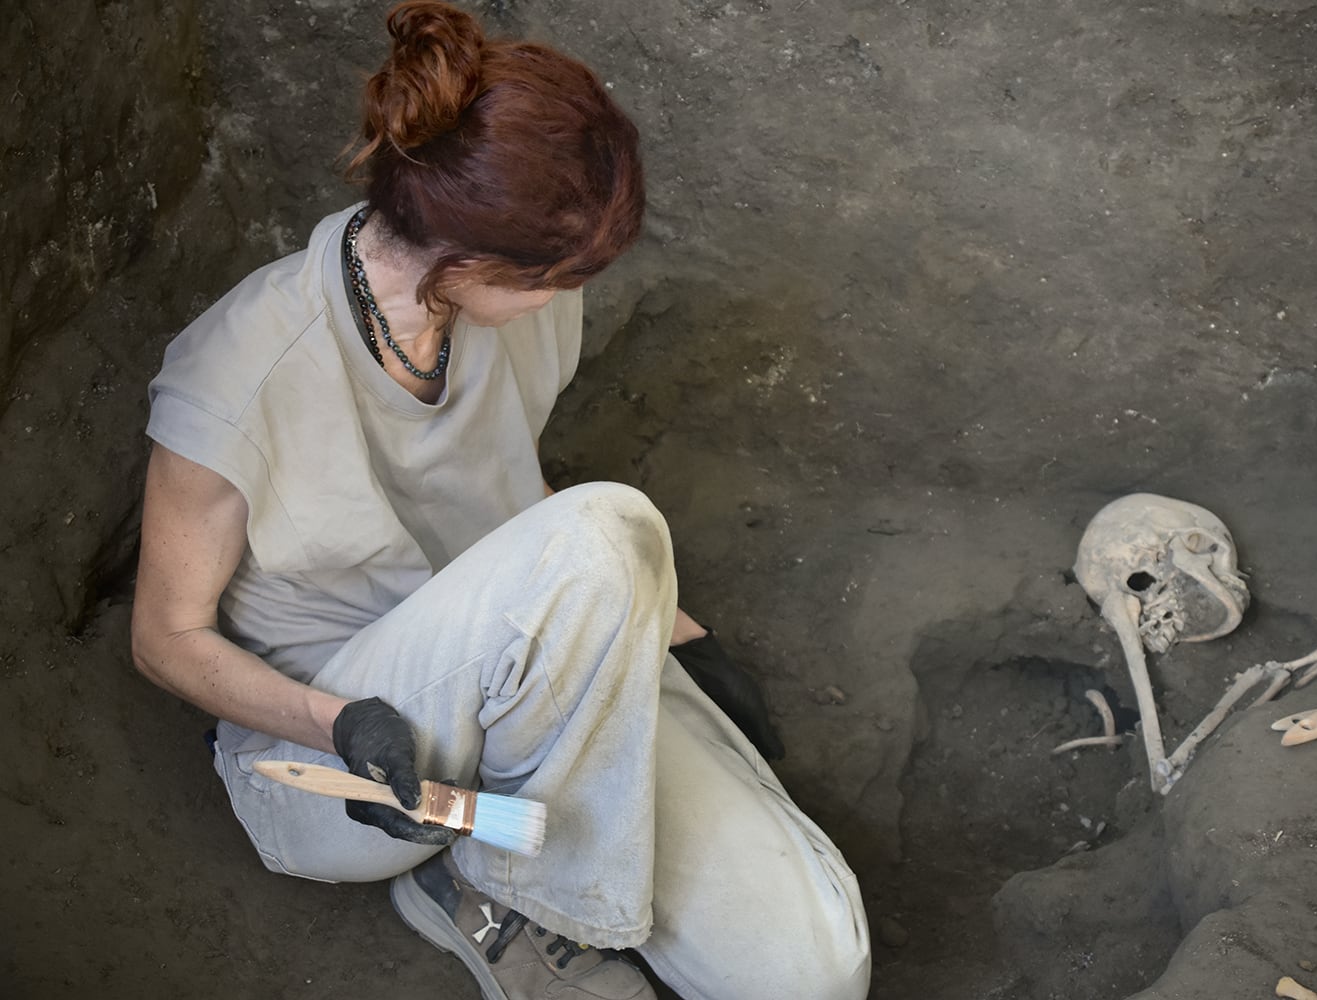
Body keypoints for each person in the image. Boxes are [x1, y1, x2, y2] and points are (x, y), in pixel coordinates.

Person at [128, 3, 871, 999]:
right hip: (359, 759)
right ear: (465, 264)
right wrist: (336, 719)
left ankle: (523, 866)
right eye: (560, 272)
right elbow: (165, 637)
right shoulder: (238, 377)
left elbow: (517, 507)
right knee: (614, 527)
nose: (579, 288)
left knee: (812, 972)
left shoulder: (520, 308)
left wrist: (679, 633)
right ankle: (498, 891)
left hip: (540, 672)